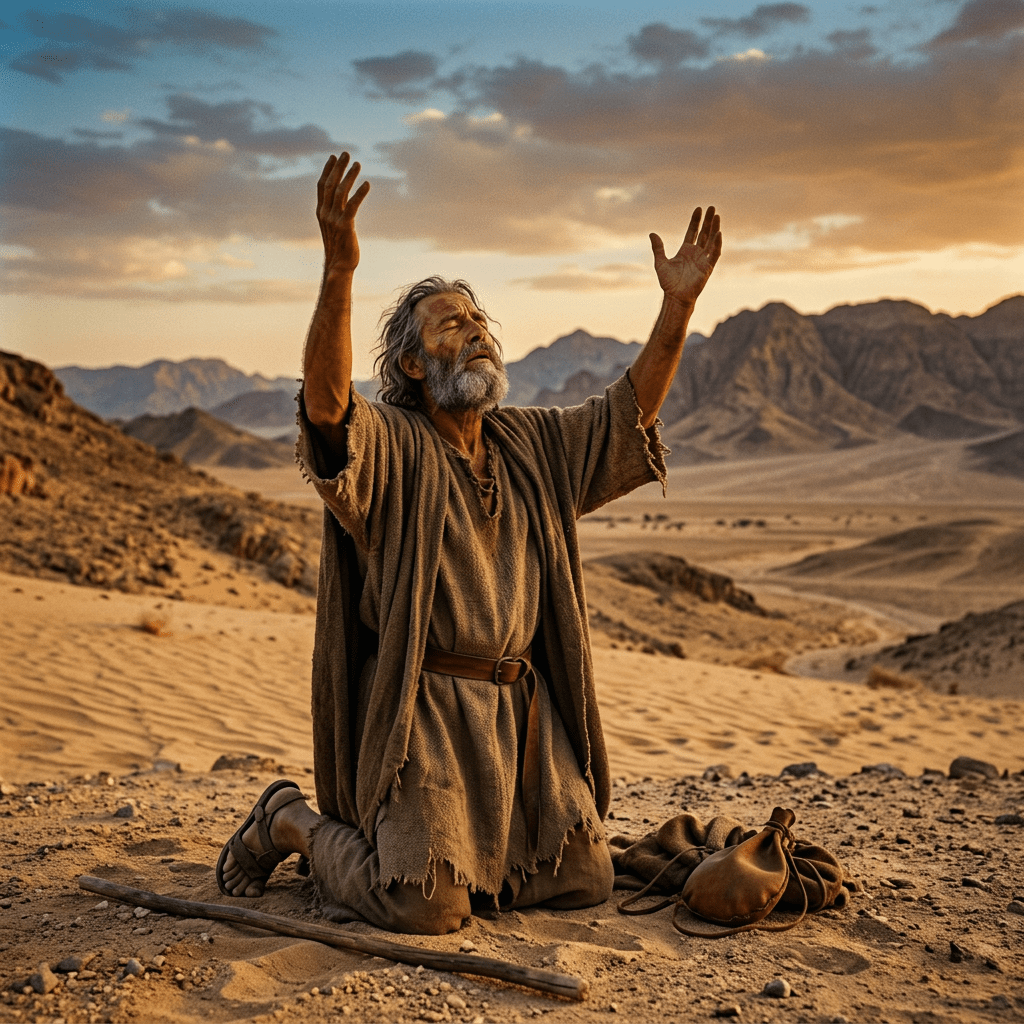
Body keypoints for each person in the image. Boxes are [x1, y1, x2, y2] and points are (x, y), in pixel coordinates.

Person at [217, 153, 722, 934]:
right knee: (422, 906)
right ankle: (291, 823)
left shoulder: (533, 443)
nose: (477, 332)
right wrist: (339, 271)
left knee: (586, 882)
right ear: (413, 364)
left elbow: (627, 414)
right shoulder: (393, 444)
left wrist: (677, 308)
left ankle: (482, 856)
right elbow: (325, 409)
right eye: (452, 324)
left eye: (480, 321)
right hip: (425, 715)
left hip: (524, 715)